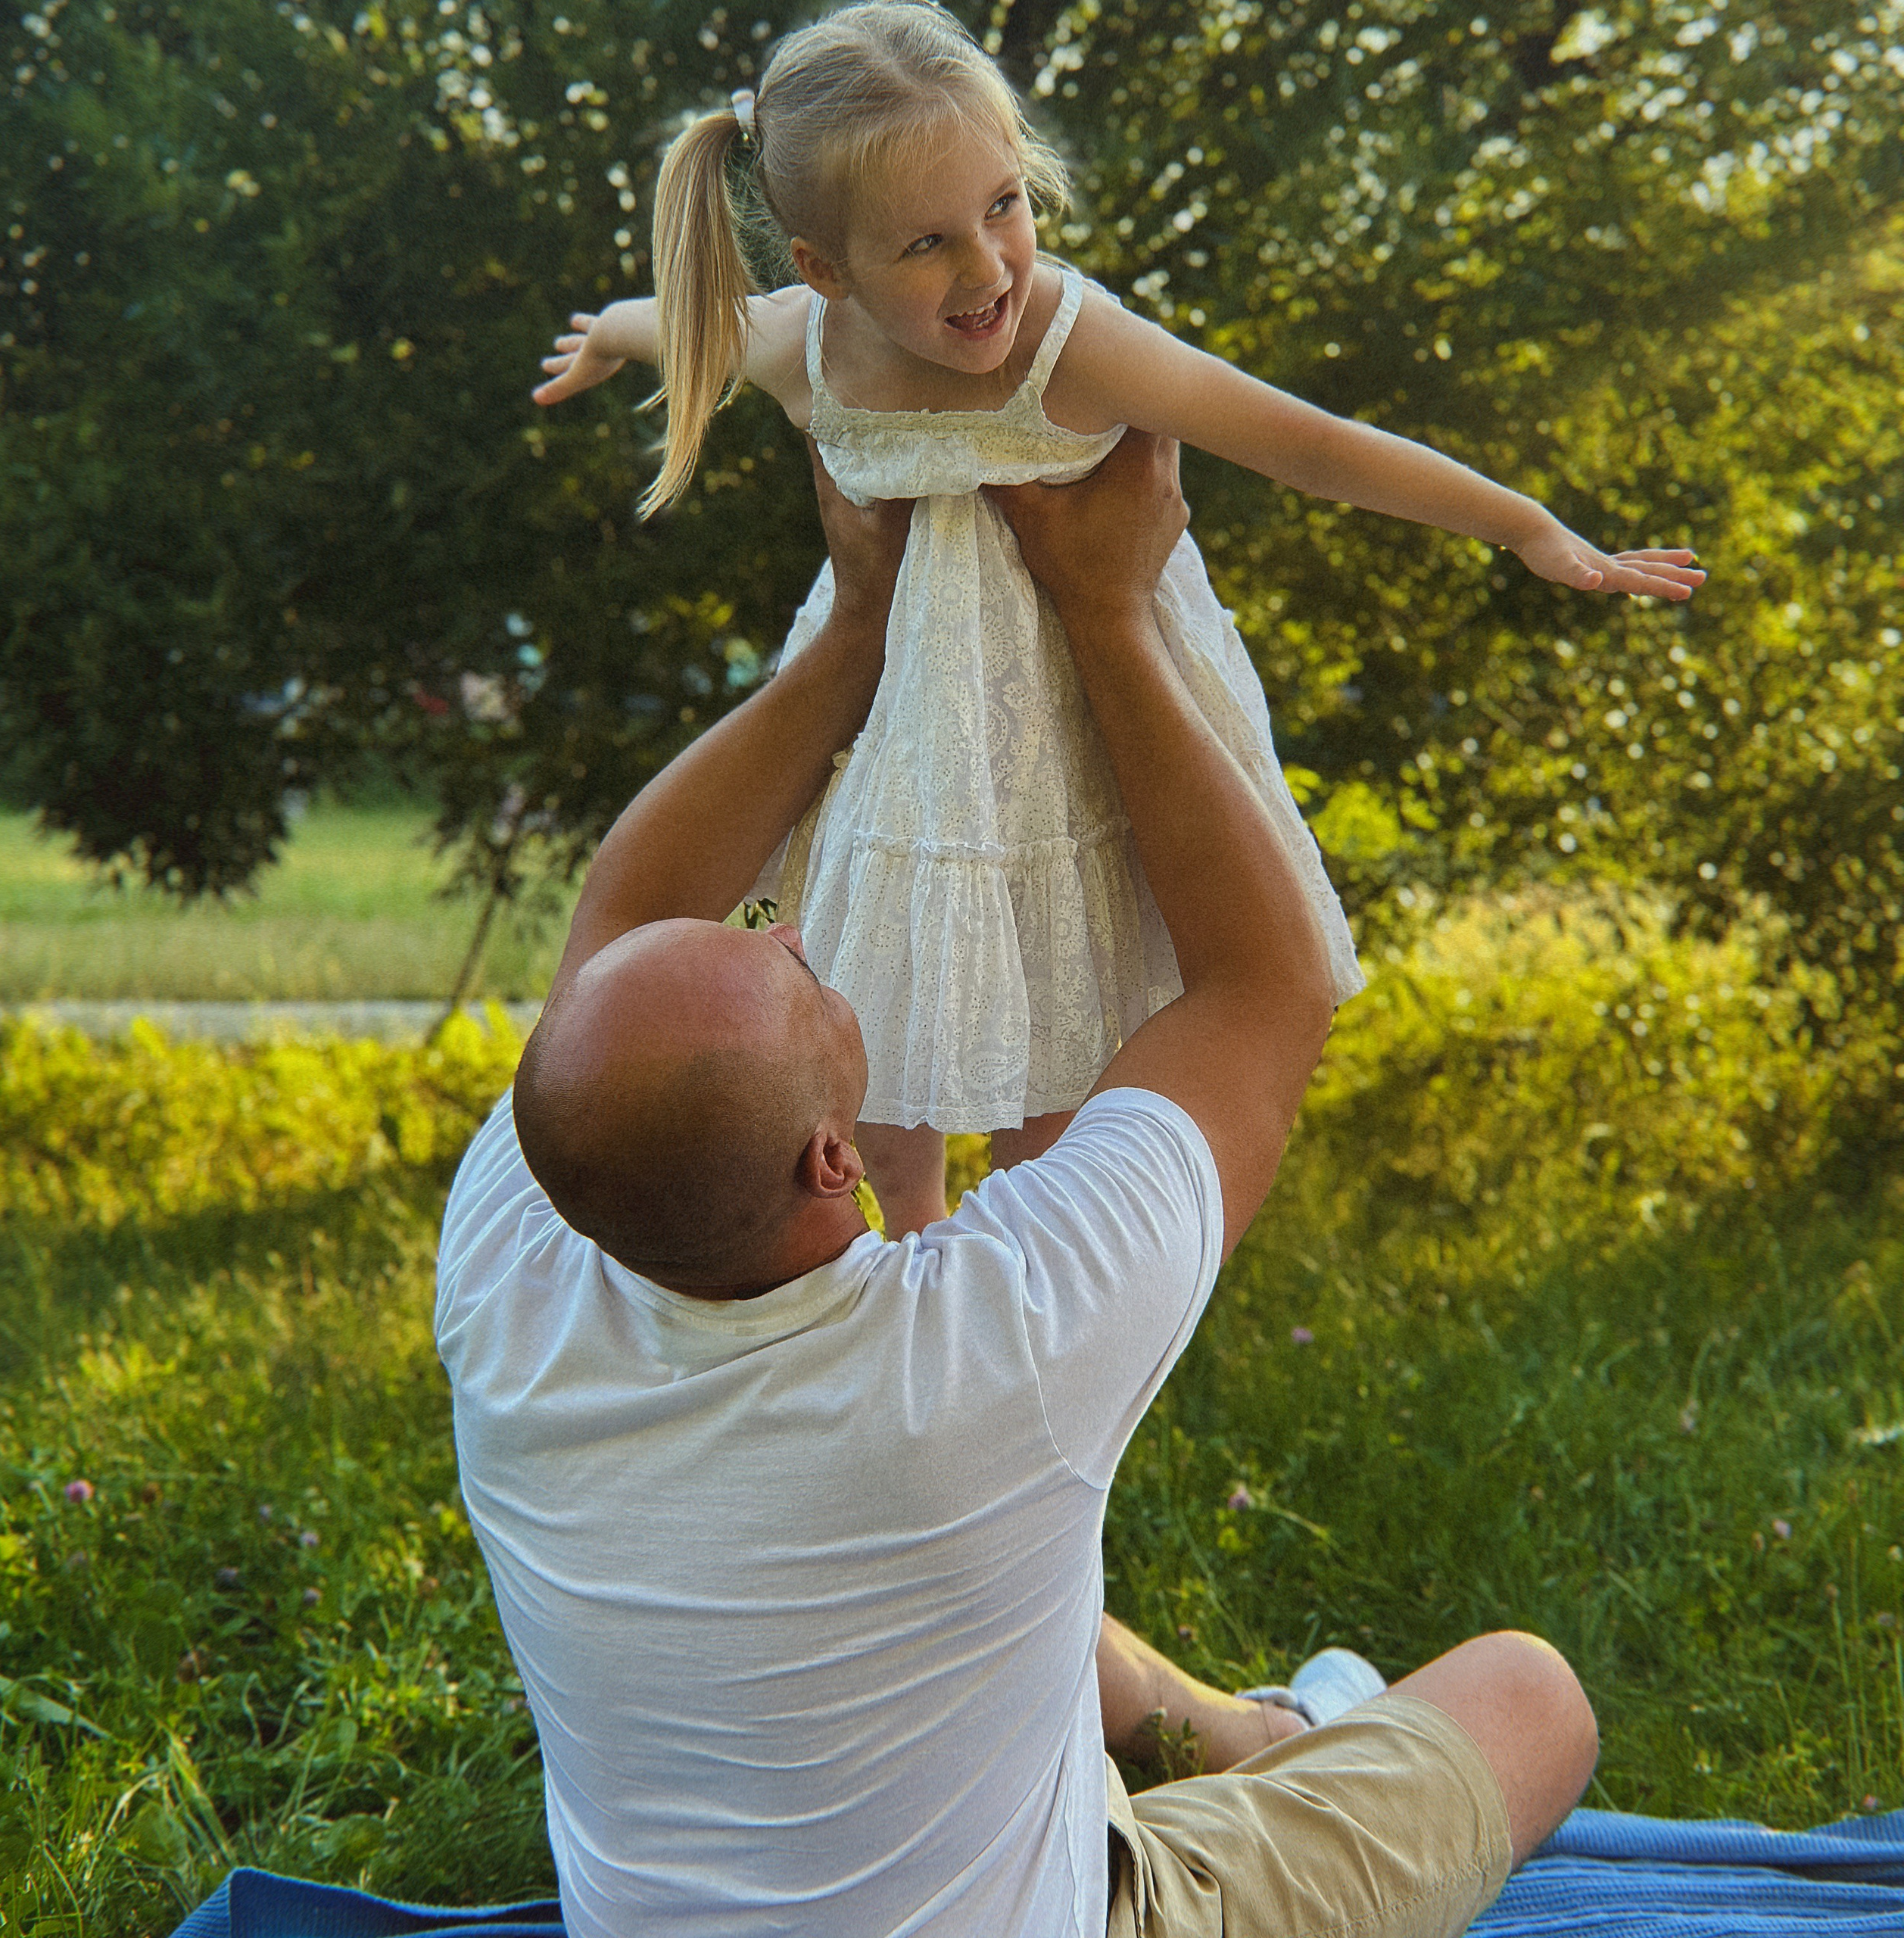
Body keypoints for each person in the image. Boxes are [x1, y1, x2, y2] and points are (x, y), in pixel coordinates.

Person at [435, 429, 1600, 1937]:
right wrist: (1110, 611)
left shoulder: (512, 1265)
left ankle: (1239, 1735)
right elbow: (1268, 983)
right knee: (1529, 1692)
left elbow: (625, 916)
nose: (791, 931)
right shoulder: (987, 1355)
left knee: (1005, 1587)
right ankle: (1240, 1770)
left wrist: (851, 640)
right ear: (829, 1159)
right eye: (782, 966)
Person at [531, 1, 1704, 1235]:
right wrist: (606, 341)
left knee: (1073, 1020)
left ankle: (1037, 1266)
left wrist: (1524, 524)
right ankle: (903, 1240)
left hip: (1081, 729)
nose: (987, 267)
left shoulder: (1070, 345)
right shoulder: (800, 345)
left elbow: (1307, 441)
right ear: (825, 270)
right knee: (877, 988)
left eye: (1005, 206)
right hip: (901, 729)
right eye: (928, 242)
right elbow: (682, 327)